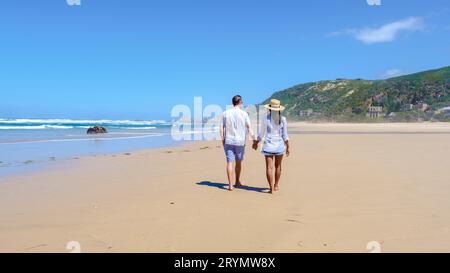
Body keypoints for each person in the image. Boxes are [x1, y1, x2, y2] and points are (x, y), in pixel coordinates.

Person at [253, 99, 290, 194]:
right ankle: (276, 185)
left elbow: (261, 133)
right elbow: (285, 135)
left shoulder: (265, 118)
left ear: (269, 109)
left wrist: (256, 142)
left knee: (269, 167)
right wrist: (288, 147)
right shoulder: (283, 119)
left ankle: (271, 189)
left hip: (268, 145)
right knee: (278, 166)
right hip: (279, 146)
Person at [220, 95, 256, 191]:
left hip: (229, 141)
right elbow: (249, 128)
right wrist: (254, 139)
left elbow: (221, 128)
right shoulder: (244, 114)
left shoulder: (225, 113)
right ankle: (237, 181)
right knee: (238, 163)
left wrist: (222, 139)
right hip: (240, 142)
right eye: (242, 102)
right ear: (239, 102)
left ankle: (230, 185)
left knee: (229, 163)